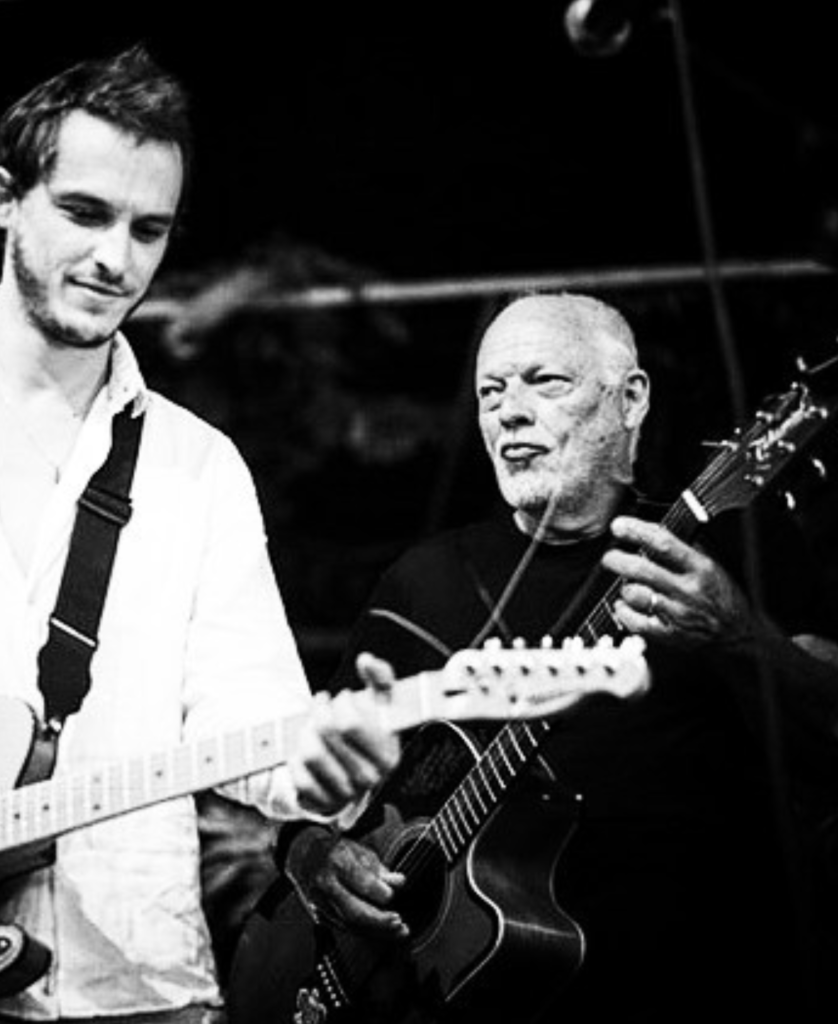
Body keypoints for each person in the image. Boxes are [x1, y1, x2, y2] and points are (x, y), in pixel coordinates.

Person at [0, 44, 399, 1024]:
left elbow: (247, 724)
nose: (115, 259)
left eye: (148, 229)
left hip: (135, 990)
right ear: (5, 195)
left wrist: (322, 764)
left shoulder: (197, 464)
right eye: (85, 213)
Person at [270, 292, 838, 1023]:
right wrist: (314, 856)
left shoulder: (723, 552)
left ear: (630, 399)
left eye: (545, 381)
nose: (509, 411)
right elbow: (309, 796)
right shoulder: (423, 582)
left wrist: (737, 632)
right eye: (490, 391)